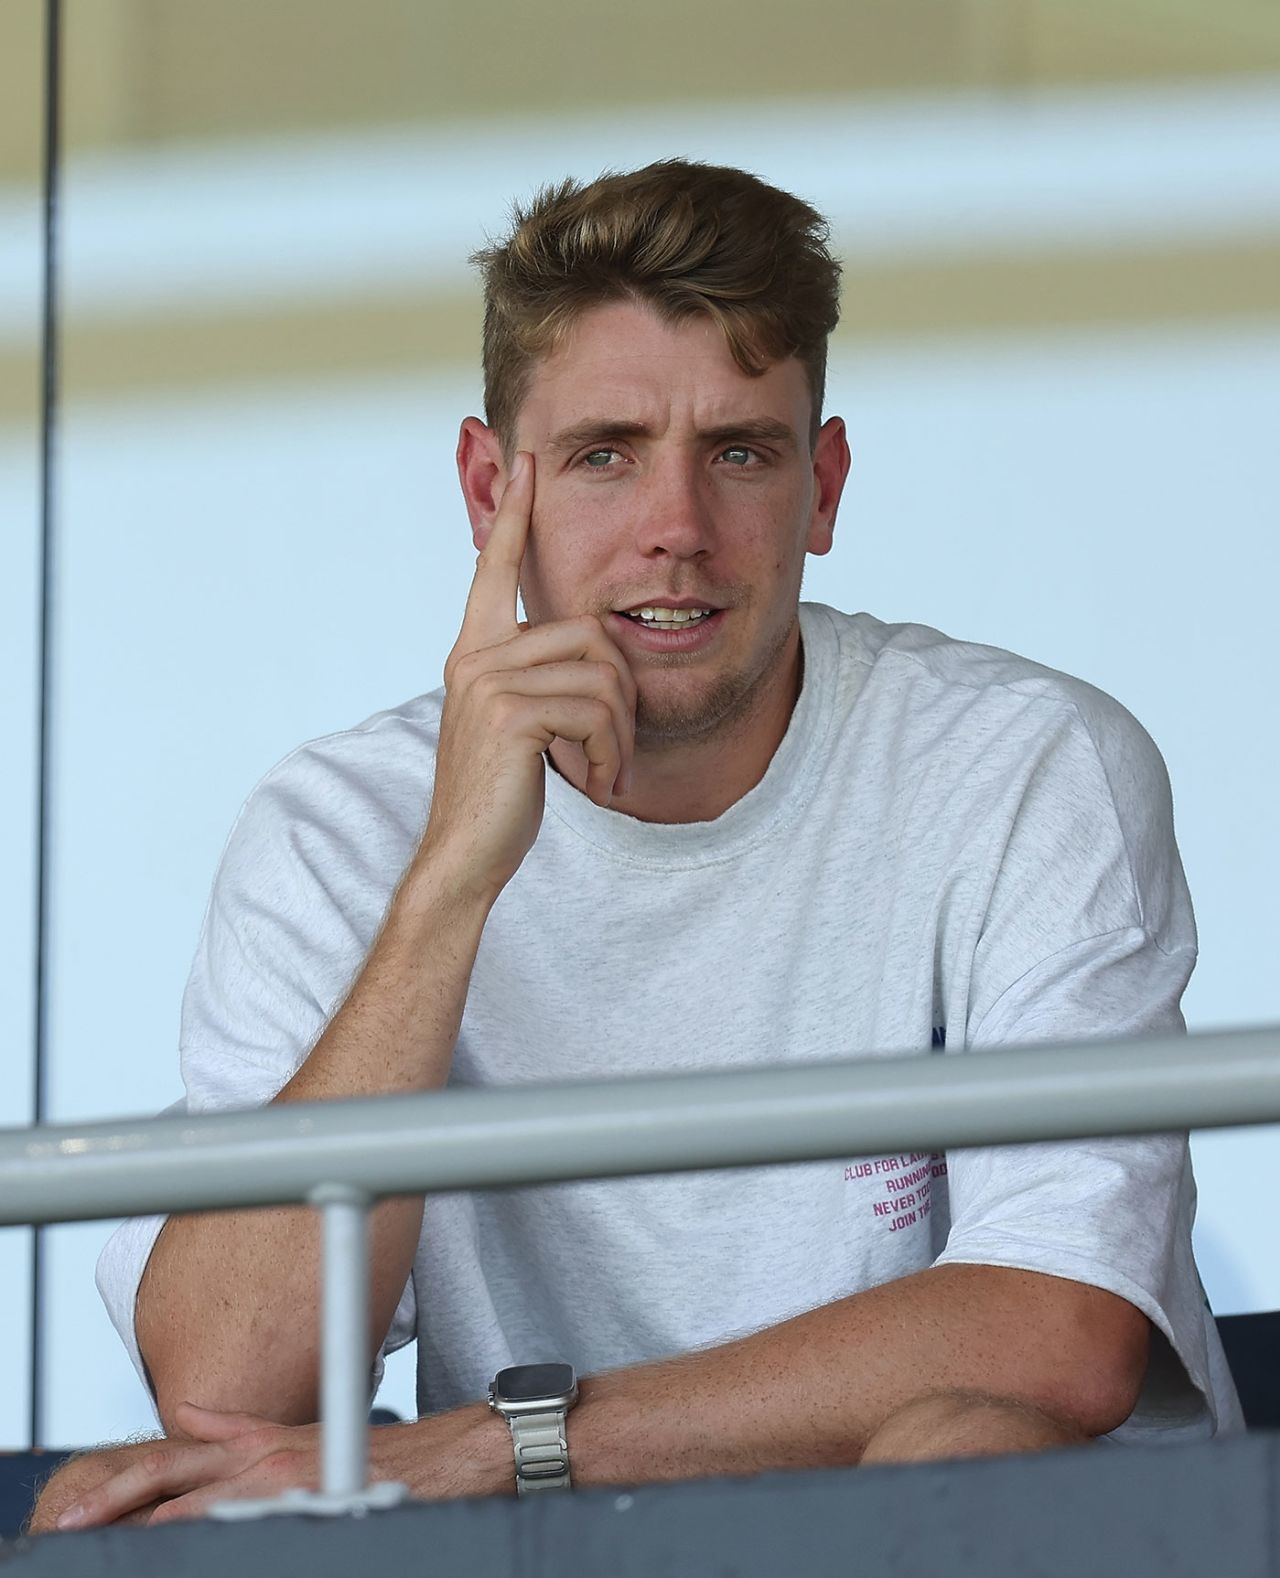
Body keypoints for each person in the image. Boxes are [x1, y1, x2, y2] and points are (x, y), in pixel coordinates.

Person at [31, 159, 1242, 1533]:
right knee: (96, 1510)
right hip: (559, 1538)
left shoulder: (1027, 763)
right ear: (493, 492)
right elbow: (228, 1380)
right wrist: (450, 885)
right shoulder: (338, 827)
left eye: (739, 450)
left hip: (943, 1523)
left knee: (964, 1437)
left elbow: (1054, 1331)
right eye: (605, 452)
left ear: (823, 489)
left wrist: (491, 1446)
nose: (677, 529)